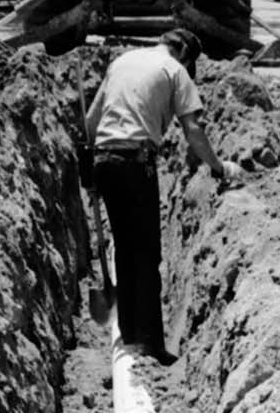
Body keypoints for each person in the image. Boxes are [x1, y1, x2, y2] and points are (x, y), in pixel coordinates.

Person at [85, 28, 240, 365]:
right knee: (146, 253)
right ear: (184, 53)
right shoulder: (175, 70)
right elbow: (193, 130)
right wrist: (218, 168)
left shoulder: (121, 62)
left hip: (104, 162)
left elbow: (91, 122)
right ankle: (150, 344)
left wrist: (90, 167)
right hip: (136, 162)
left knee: (125, 248)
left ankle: (129, 332)